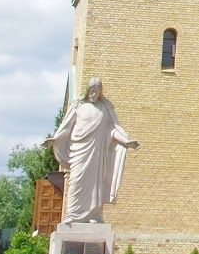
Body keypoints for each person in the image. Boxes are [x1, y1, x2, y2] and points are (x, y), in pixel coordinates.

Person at [47, 78, 139, 224]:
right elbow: (66, 127)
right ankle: (72, 214)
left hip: (97, 153)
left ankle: (93, 215)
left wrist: (126, 142)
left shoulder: (105, 109)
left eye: (96, 91)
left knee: (96, 184)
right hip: (79, 151)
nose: (93, 94)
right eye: (91, 91)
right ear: (87, 90)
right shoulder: (78, 106)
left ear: (100, 92)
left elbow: (113, 130)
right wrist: (55, 139)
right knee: (76, 181)